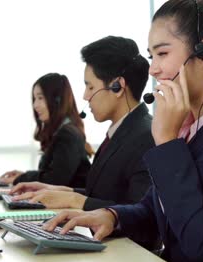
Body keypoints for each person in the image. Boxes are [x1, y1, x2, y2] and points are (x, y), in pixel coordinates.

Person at [42, 1, 203, 262]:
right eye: (151, 57)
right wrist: (111, 216)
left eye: (162, 54)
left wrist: (167, 141)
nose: (153, 69)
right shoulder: (191, 126)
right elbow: (155, 210)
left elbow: (199, 243)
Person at [9, 36, 154, 211]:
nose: (85, 96)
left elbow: (141, 212)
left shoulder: (146, 136)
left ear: (117, 87)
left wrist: (75, 200)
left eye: (90, 87)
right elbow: (103, 195)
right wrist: (58, 191)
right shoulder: (121, 131)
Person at [0, 73, 93, 189]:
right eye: (34, 99)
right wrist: (23, 176)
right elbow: (51, 176)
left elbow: (54, 181)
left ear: (57, 100)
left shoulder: (68, 134)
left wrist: (21, 178)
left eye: (40, 98)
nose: (35, 105)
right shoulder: (62, 132)